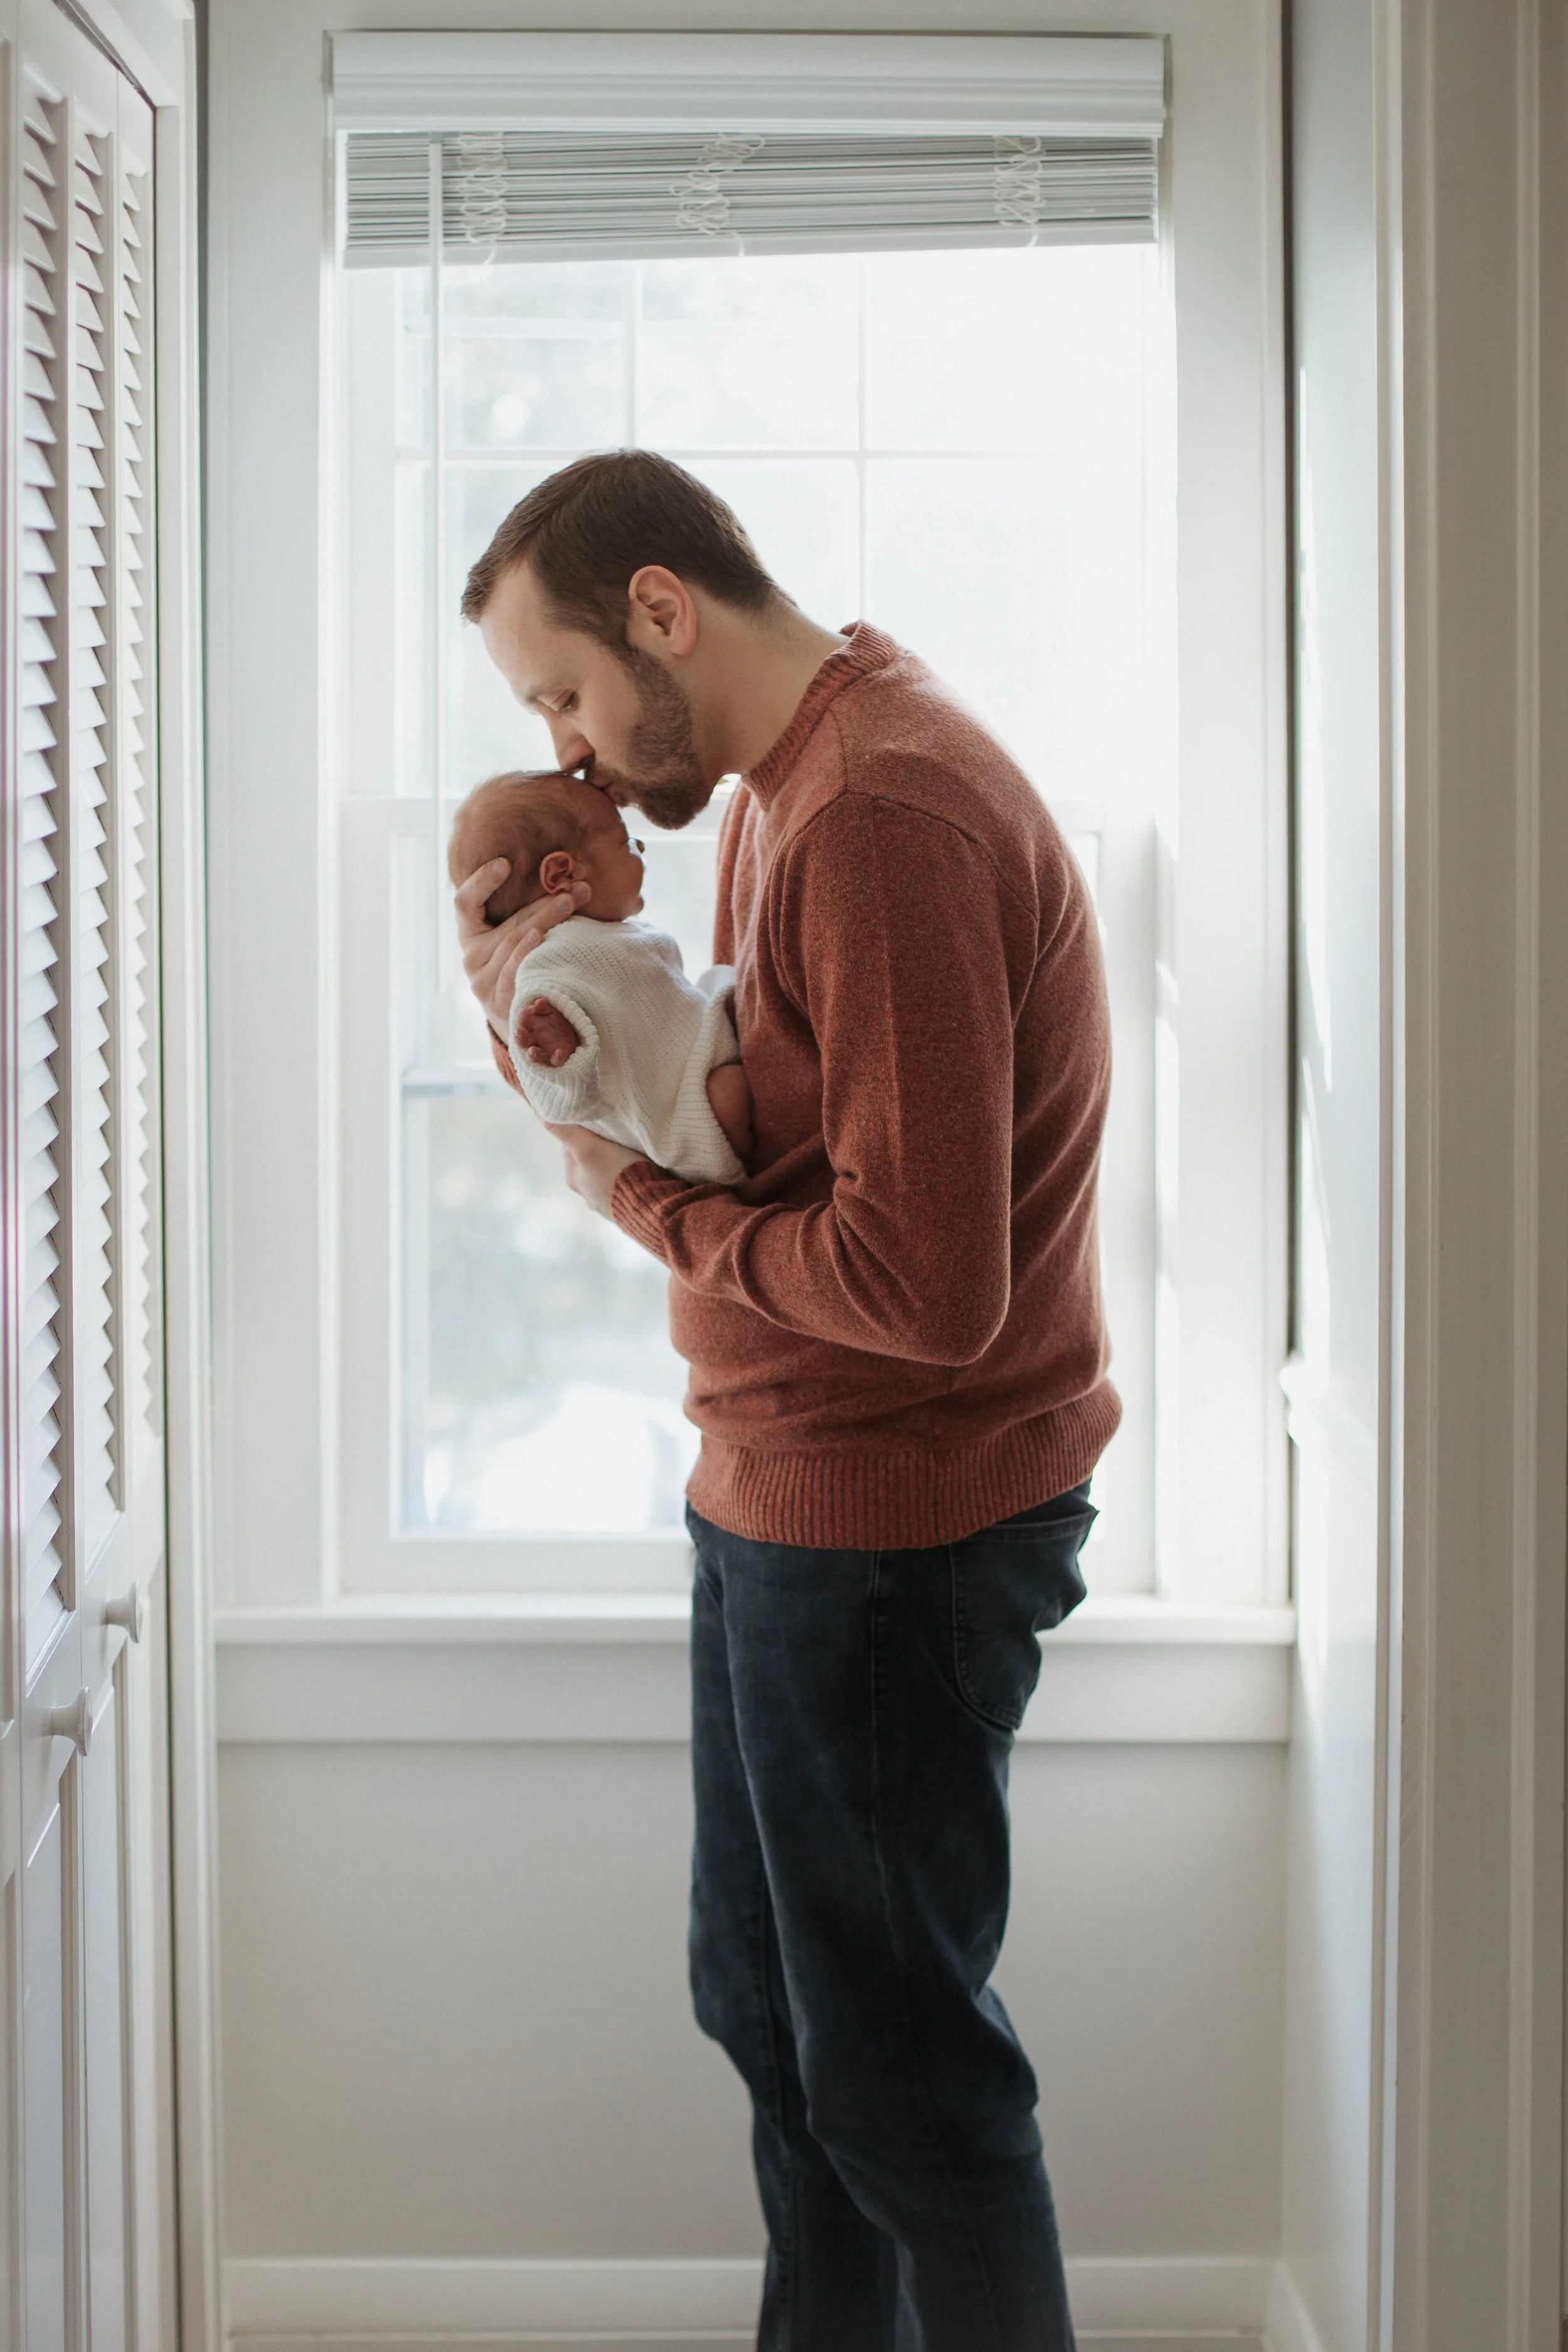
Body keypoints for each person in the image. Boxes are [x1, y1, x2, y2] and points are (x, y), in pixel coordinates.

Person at [453, 449, 1118, 2352]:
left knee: (904, 2083)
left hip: (891, 1522)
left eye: (561, 693)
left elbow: (922, 1283)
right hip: (783, 1491)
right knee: (773, 2026)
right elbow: (732, 1135)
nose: (568, 755)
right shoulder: (775, 797)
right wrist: (539, 1012)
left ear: (660, 608)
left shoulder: (879, 805)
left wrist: (635, 1199)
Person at [447, 767, 751, 1180]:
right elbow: (561, 1101)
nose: (639, 848)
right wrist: (558, 1057)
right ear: (563, 874)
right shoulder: (546, 966)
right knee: (732, 1097)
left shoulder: (601, 936)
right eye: (626, 842)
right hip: (685, 1111)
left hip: (695, 1055)